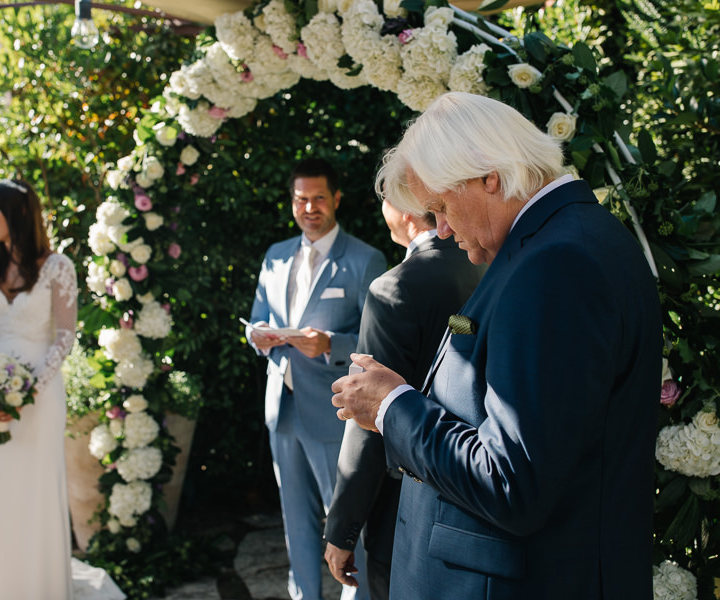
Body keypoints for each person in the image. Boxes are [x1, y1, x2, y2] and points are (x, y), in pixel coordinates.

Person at [330, 92, 662, 599]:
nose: (439, 229)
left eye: (441, 207)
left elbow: (512, 480)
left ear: (489, 175)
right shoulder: (561, 239)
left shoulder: (556, 264)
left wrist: (392, 406)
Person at [323, 198, 484, 599]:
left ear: (403, 207)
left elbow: (370, 417)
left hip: (407, 500)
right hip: (475, 481)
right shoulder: (483, 261)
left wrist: (341, 530)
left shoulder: (394, 286)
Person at [246, 158, 386, 600]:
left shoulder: (365, 259)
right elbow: (256, 321)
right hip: (282, 408)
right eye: (301, 199)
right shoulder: (275, 255)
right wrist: (259, 337)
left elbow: (376, 341)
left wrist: (330, 345)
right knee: (294, 519)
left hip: (333, 412)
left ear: (337, 199)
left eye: (318, 198)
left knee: (345, 523)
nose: (309, 207)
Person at [0, 179, 77, 600]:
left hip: (41, 397)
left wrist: (29, 389)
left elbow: (64, 336)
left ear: (18, 213)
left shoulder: (58, 266)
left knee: (37, 490)